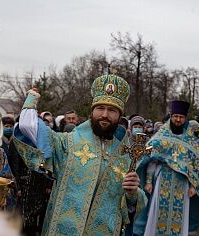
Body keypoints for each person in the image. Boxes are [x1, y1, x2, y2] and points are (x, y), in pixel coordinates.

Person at [17, 74, 147, 235]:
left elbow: (134, 206)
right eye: (100, 108)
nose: (105, 114)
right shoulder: (66, 144)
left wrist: (133, 193)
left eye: (112, 110)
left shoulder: (126, 155)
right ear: (92, 111)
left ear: (120, 116)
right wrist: (31, 99)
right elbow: (27, 127)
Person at [134, 100, 199, 236]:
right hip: (162, 180)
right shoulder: (160, 138)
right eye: (175, 116)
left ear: (185, 119)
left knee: (179, 220)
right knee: (157, 213)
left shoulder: (191, 142)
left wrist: (194, 186)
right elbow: (151, 160)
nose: (178, 119)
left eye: (181, 117)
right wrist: (147, 181)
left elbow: (197, 166)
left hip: (183, 184)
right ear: (171, 116)